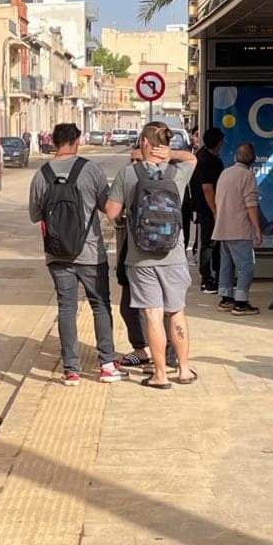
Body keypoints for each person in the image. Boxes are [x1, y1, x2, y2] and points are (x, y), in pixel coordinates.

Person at [29, 123, 127, 387]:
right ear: (76, 141)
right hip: (91, 253)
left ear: (53, 142)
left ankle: (71, 369)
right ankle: (107, 365)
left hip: (57, 254)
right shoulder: (91, 170)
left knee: (66, 308)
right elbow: (108, 209)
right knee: (100, 305)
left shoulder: (41, 174)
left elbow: (34, 215)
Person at [105, 122, 198, 389]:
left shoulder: (128, 174)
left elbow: (111, 212)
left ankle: (159, 374)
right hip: (175, 254)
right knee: (176, 313)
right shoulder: (176, 171)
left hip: (141, 257)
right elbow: (192, 156)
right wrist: (172, 155)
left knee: (153, 315)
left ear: (145, 142)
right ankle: (183, 370)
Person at [116, 146, 177, 370]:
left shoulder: (164, 176)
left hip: (146, 254)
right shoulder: (170, 177)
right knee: (131, 304)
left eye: (137, 160)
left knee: (152, 310)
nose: (133, 165)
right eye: (130, 160)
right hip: (137, 247)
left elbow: (111, 211)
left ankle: (152, 353)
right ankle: (150, 351)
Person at [213, 142, 262, 315]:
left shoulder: (225, 173)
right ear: (253, 160)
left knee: (226, 265)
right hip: (239, 228)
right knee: (246, 265)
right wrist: (257, 228)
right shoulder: (247, 176)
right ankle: (241, 303)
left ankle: (226, 299)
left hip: (222, 227)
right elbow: (250, 204)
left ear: (235, 156)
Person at [191, 128, 225, 293]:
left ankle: (217, 275)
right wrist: (215, 211)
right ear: (219, 142)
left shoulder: (203, 155)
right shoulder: (207, 160)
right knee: (210, 243)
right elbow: (207, 189)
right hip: (208, 208)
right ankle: (206, 279)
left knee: (214, 243)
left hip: (206, 207)